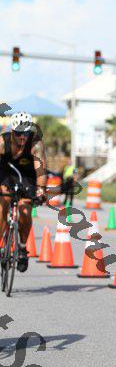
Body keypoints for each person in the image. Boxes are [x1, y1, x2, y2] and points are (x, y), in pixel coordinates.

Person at [0, 112, 47, 272]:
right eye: (19, 133)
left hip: (27, 177)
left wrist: (40, 191)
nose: (22, 137)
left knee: (25, 211)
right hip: (6, 174)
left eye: (25, 133)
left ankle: (21, 247)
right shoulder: (3, 142)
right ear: (12, 131)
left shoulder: (36, 144)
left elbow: (41, 172)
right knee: (3, 204)